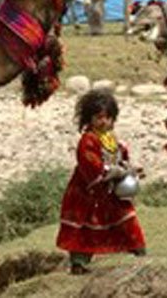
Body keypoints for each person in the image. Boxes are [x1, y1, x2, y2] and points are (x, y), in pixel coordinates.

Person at [56, 90, 146, 275]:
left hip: (109, 191)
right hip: (87, 194)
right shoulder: (88, 140)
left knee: (127, 218)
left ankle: (140, 252)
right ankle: (78, 264)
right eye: (98, 117)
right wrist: (118, 172)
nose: (103, 121)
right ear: (90, 119)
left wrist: (130, 169)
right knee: (84, 228)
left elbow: (121, 158)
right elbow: (92, 165)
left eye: (108, 117)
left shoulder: (111, 139)